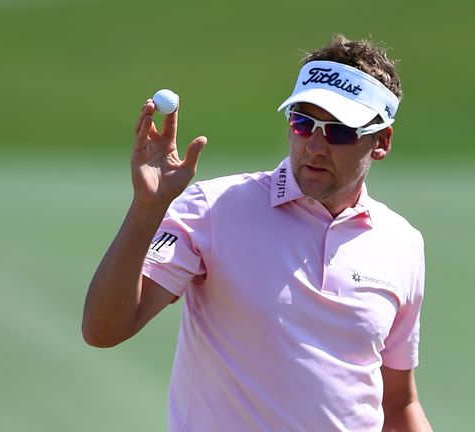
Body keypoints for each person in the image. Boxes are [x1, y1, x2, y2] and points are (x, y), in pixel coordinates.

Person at [82, 34, 432, 432]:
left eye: (338, 132)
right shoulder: (213, 209)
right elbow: (103, 330)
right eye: (303, 123)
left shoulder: (401, 243)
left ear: (381, 141)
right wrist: (146, 211)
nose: (315, 147)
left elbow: (398, 403)